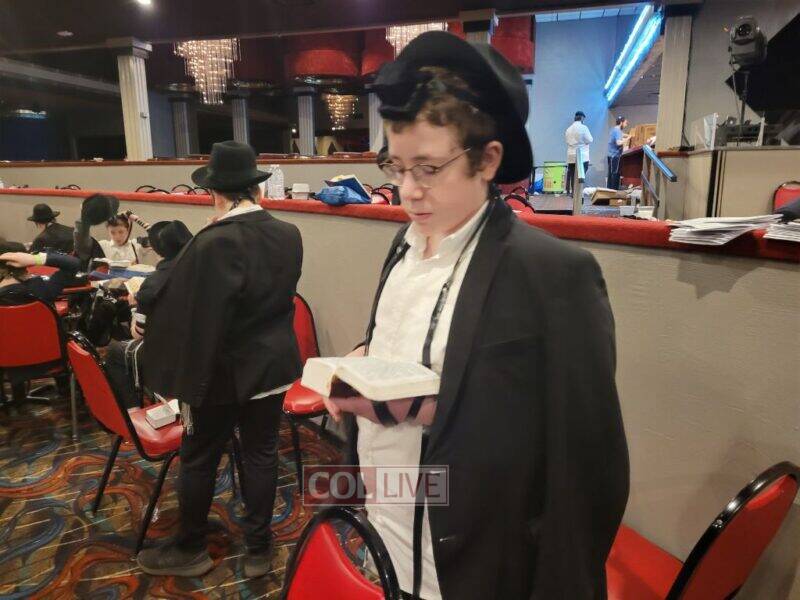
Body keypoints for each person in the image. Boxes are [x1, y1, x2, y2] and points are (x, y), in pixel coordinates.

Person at [321, 31, 629, 600]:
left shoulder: (550, 274)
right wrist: (364, 363)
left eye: (428, 168)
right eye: (396, 166)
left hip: (479, 563)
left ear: (488, 160)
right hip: (387, 538)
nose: (407, 191)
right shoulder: (402, 248)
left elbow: (586, 469)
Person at [137, 141, 303, 579]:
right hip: (272, 367)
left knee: (199, 457)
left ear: (215, 193)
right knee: (261, 454)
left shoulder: (211, 242)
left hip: (220, 373)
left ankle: (190, 547)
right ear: (257, 189)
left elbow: (179, 306)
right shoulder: (289, 233)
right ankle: (259, 548)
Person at [103, 220, 193, 409]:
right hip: (204, 348)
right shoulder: (206, 272)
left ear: (158, 250)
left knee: (114, 352)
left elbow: (138, 333)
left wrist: (133, 307)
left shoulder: (152, 284)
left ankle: (132, 411)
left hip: (171, 353)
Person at [565, 110, 593, 195]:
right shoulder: (584, 128)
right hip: (582, 156)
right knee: (581, 176)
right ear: (582, 118)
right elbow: (590, 140)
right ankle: (579, 194)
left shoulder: (568, 129)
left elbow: (567, 141)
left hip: (571, 155)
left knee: (573, 175)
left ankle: (574, 193)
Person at [607, 115, 630, 190]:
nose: (626, 125)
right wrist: (628, 138)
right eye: (625, 123)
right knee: (615, 174)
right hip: (615, 156)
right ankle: (613, 192)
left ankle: (609, 191)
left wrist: (628, 135)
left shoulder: (614, 129)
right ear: (621, 123)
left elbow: (621, 134)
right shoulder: (617, 131)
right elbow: (618, 143)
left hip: (611, 156)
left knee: (611, 174)